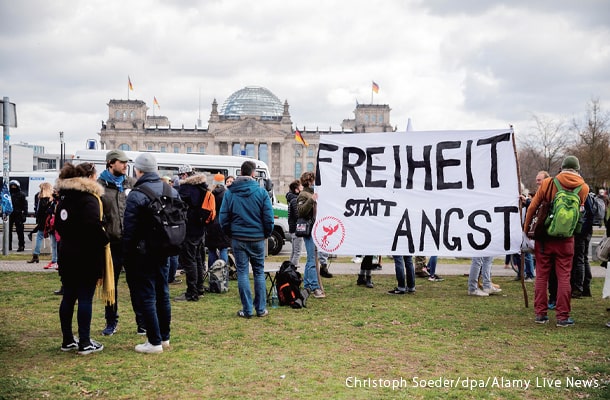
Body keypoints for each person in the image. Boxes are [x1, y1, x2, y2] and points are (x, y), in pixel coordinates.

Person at [524, 156, 589, 327]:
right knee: (564, 277)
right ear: (577, 169)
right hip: (566, 239)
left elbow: (532, 207)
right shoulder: (583, 188)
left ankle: (540, 314)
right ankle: (562, 316)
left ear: (562, 168)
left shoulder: (549, 183)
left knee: (542, 276)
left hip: (545, 237)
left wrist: (526, 230)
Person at [55, 162, 108, 355]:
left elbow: (59, 225)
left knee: (69, 296)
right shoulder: (89, 199)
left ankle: (68, 339)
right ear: (90, 177)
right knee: (85, 296)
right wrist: (105, 238)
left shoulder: (64, 198)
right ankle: (85, 342)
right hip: (86, 253)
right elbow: (93, 226)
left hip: (67, 252)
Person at [123, 153, 174, 353]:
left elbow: (130, 228)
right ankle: (165, 337)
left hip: (143, 251)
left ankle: (153, 341)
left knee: (147, 295)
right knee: (163, 293)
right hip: (165, 249)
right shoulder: (169, 189)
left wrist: (127, 254)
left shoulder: (137, 194)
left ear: (138, 170)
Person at [97, 149, 143, 337]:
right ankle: (111, 321)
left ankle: (142, 322)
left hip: (131, 243)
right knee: (111, 286)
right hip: (111, 244)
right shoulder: (98, 186)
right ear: (110, 163)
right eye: (121, 162)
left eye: (126, 162)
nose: (125, 165)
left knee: (137, 284)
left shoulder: (132, 183)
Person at [219, 160, 274, 317]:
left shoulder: (230, 192)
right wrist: (266, 233)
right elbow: (269, 218)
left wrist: (230, 232)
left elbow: (223, 217)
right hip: (257, 238)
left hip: (239, 237)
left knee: (243, 272)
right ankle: (261, 309)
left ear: (240, 173)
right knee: (258, 272)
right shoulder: (261, 192)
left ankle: (247, 309)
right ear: (253, 173)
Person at [174, 164, 210, 302]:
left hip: (190, 228)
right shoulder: (202, 186)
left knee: (190, 261)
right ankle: (199, 288)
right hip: (201, 228)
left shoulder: (186, 189)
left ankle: (192, 292)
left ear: (184, 175)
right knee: (198, 259)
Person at [296, 171, 325, 299]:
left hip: (315, 229)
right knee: (312, 258)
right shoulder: (304, 195)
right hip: (309, 230)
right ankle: (314, 286)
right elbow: (301, 211)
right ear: (309, 181)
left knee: (311, 258)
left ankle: (308, 283)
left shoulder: (313, 193)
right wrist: (311, 201)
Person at [571, 183, 594, 298]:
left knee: (579, 259)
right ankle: (586, 288)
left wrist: (580, 230)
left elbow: (587, 212)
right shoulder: (585, 190)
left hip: (582, 230)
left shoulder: (580, 190)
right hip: (587, 230)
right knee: (583, 258)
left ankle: (578, 288)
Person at [206, 173, 231, 269]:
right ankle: (223, 271)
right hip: (222, 223)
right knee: (223, 249)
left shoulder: (210, 194)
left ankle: (211, 271)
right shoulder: (226, 194)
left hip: (211, 224)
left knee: (211, 249)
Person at [27, 182, 54, 266]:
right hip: (51, 220)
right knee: (53, 239)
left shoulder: (42, 199)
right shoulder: (52, 199)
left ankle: (36, 255)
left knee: (39, 237)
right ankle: (55, 257)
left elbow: (40, 212)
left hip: (44, 221)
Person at [286, 180, 304, 267]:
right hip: (297, 229)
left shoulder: (291, 199)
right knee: (297, 252)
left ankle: (289, 269)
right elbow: (298, 215)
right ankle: (292, 270)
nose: (302, 188)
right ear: (296, 190)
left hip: (293, 229)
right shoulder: (295, 200)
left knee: (294, 252)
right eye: (301, 187)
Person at [8, 180, 27, 252]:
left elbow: (25, 206)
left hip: (18, 214)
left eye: (14, 186)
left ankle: (21, 246)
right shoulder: (8, 195)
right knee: (8, 231)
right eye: (12, 186)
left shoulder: (21, 195)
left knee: (20, 231)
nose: (13, 187)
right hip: (9, 214)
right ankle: (8, 245)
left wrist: (24, 214)